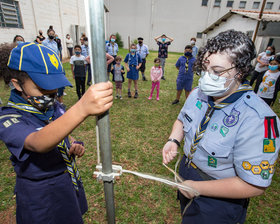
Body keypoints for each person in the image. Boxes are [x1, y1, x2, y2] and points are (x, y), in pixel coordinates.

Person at [162, 30, 280, 224]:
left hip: (220, 198)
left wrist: (199, 188)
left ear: (240, 71)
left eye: (217, 72)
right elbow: (182, 120)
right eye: (205, 69)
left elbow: (254, 185)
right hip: (187, 176)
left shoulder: (259, 119)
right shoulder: (198, 94)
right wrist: (174, 140)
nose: (207, 77)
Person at [0, 42, 113, 224]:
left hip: (65, 183)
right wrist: (82, 108)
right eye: (43, 89)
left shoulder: (53, 105)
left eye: (54, 88)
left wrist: (74, 143)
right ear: (17, 84)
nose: (51, 94)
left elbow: (61, 133)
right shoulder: (9, 117)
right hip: (40, 196)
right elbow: (38, 141)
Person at [42, 28, 64, 103]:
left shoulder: (55, 43)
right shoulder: (44, 43)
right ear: (47, 34)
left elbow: (57, 53)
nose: (52, 35)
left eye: (53, 34)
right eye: (50, 34)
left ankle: (59, 97)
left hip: (55, 63)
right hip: (48, 63)